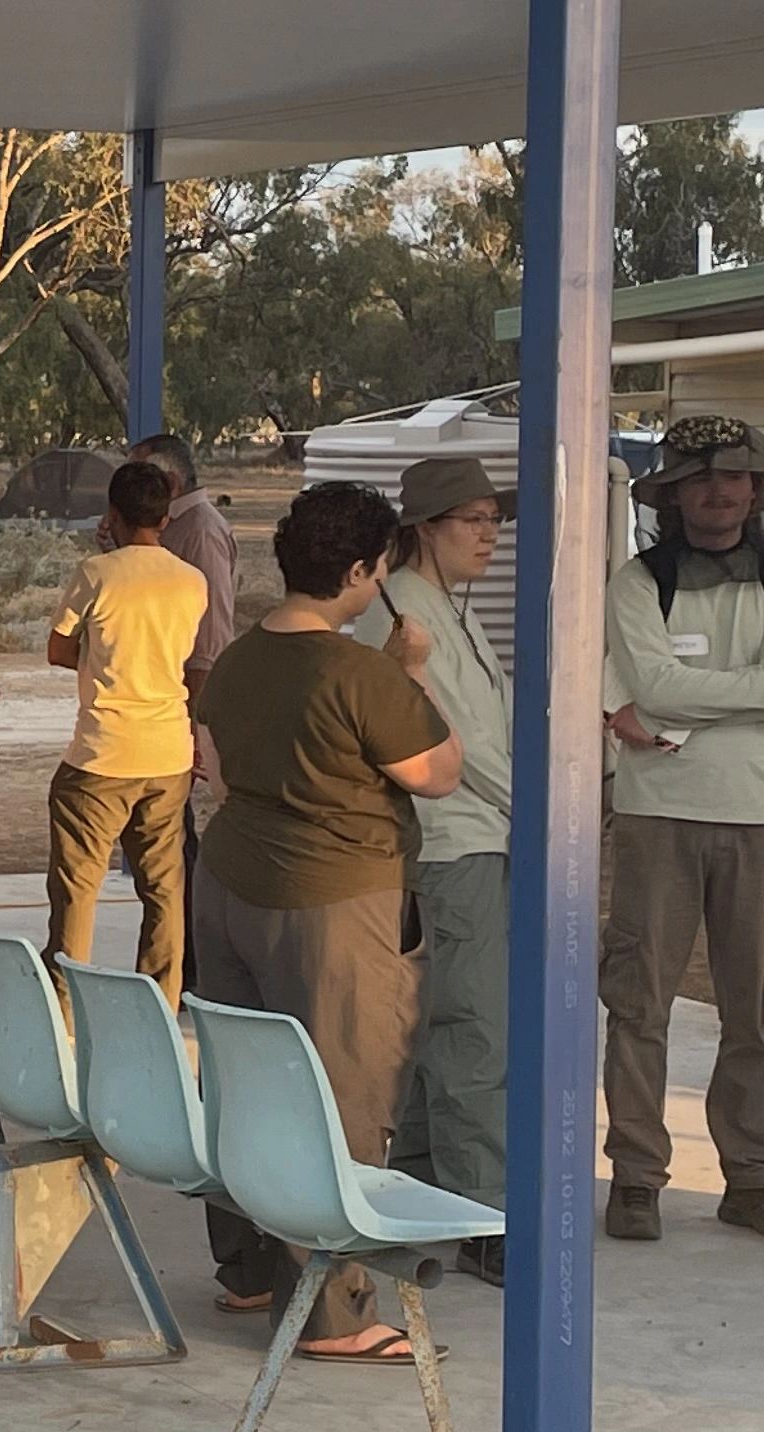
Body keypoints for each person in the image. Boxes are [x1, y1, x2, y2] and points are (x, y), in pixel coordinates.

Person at [190, 479, 461, 1352]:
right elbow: (438, 771)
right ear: (358, 572)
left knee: (245, 1081)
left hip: (231, 881)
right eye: (379, 569)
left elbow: (217, 768)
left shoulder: (238, 658)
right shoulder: (359, 671)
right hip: (338, 899)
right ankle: (333, 1310)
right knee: (344, 1095)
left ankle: (248, 1267)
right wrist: (410, 672)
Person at [596, 414, 764, 1246]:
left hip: (760, 814)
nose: (719, 493)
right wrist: (761, 689)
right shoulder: (639, 582)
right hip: (657, 814)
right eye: (700, 479)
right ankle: (635, 1177)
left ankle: (758, 1179)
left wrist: (677, 698)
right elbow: (665, 687)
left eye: (733, 477)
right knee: (639, 1003)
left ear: (756, 489)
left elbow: (673, 693)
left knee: (757, 1007)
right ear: (671, 493)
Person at [353, 455, 516, 1278]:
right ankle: (484, 1210)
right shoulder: (405, 616)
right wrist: (542, 810)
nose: (490, 535)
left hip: (478, 835)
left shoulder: (447, 608)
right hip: (454, 841)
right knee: (473, 1029)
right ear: (424, 529)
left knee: (442, 1023)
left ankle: (421, 1183)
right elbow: (457, 741)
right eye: (472, 521)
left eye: (494, 520)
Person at [42, 457, 206, 999]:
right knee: (164, 888)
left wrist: (99, 661)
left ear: (112, 514)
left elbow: (58, 648)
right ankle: (161, 1000)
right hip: (168, 752)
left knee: (76, 888)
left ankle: (65, 1003)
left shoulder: (96, 573)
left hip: (102, 752)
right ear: (166, 517)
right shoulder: (193, 581)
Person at [134, 430, 240, 689]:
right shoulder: (171, 525)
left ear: (171, 484)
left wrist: (197, 703)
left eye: (140, 481)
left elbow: (210, 631)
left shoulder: (201, 532)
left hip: (189, 688)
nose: (130, 491)